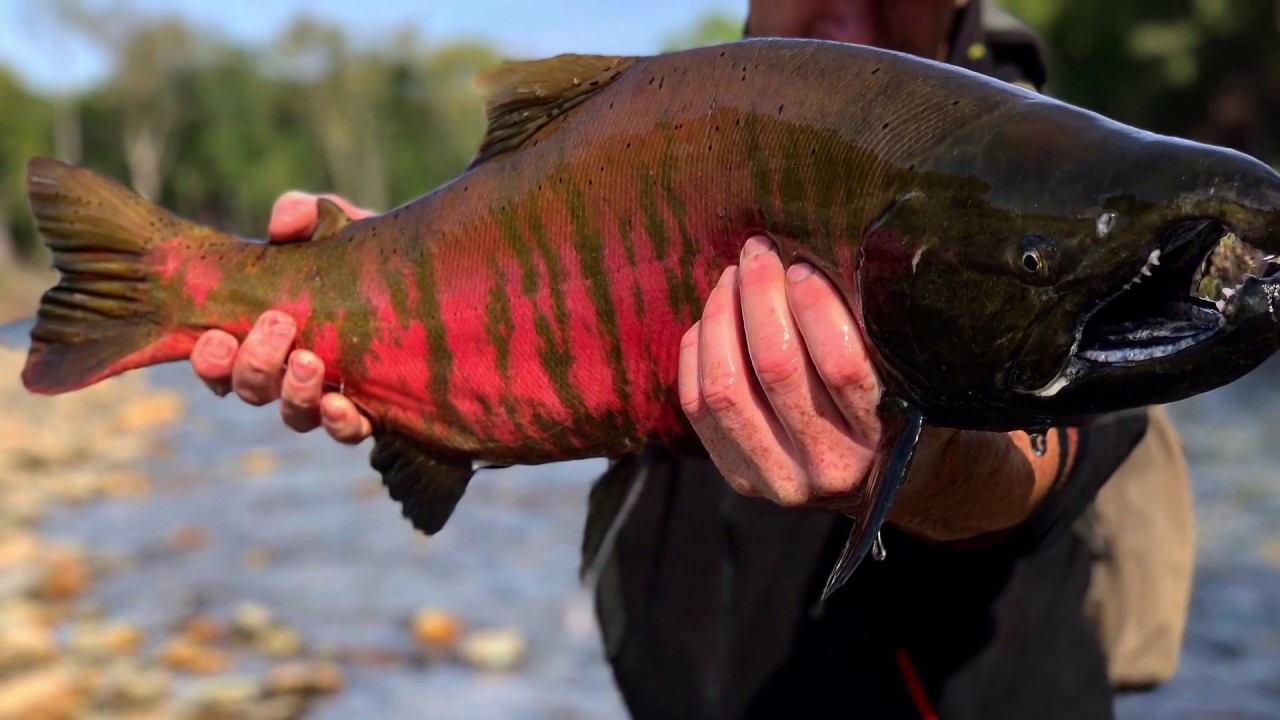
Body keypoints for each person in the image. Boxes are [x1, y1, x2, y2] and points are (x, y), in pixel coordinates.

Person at [188, 1, 1196, 718]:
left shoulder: (1042, 170)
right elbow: (518, 273)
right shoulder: (674, 120)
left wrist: (926, 469)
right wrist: (383, 292)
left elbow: (1058, 450)